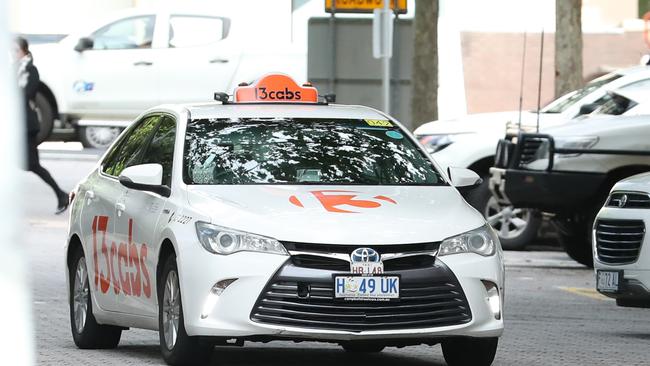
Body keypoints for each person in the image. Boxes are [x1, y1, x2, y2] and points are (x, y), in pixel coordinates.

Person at [13, 37, 69, 214]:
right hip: (15, 126)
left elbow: (25, 95)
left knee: (32, 165)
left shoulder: (30, 70)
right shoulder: (12, 70)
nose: (12, 54)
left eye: (15, 50)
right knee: (21, 164)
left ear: (24, 50)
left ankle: (61, 195)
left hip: (26, 127)